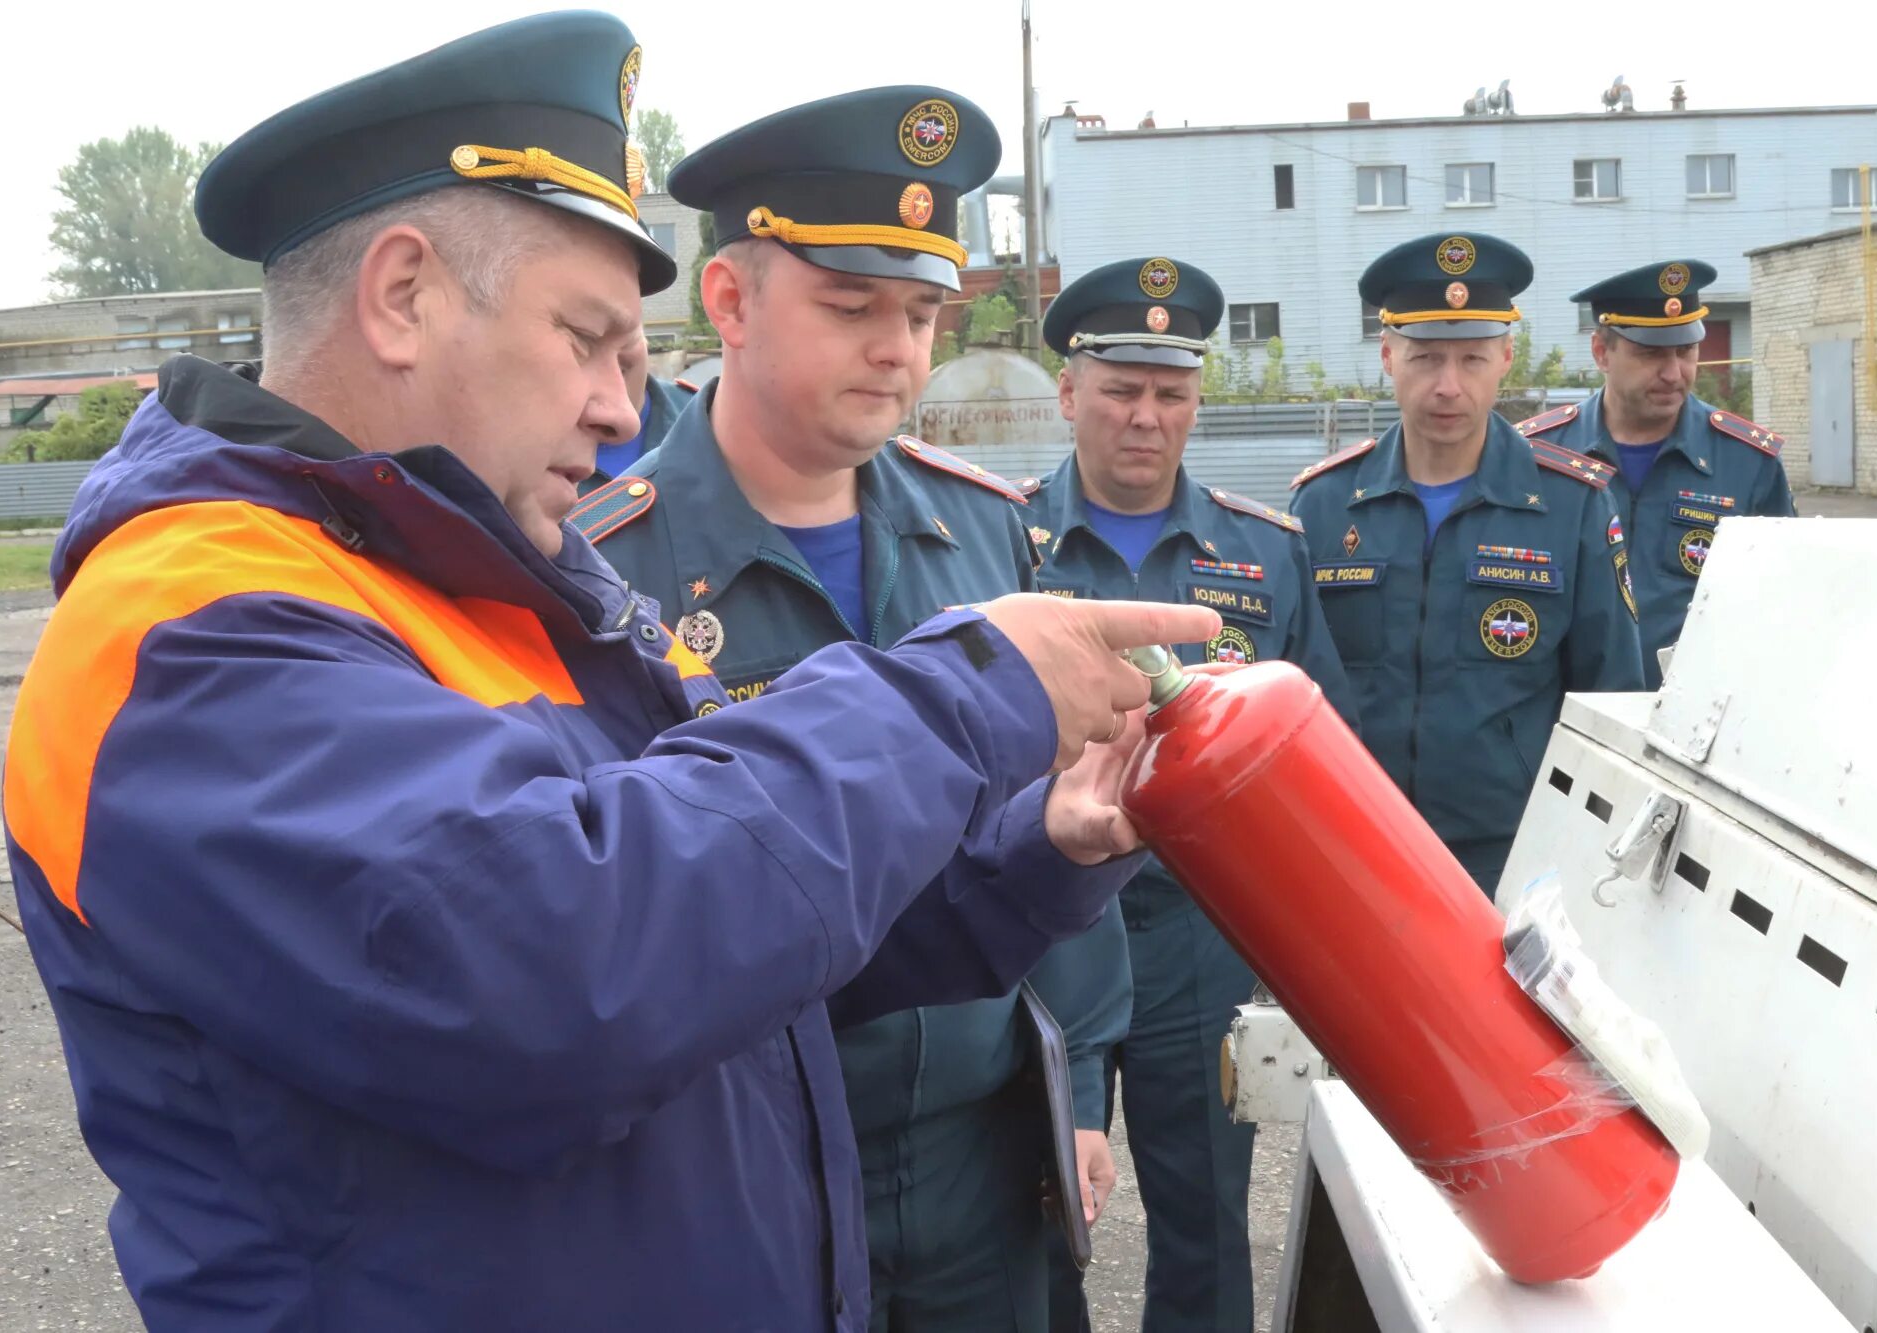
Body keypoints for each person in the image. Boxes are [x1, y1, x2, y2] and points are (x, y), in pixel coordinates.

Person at [0, 16, 1221, 1331]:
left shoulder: (464, 582)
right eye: (587, 338)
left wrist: (1036, 852)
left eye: (633, 356)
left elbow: (738, 951)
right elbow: (562, 974)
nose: (625, 410)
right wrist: (962, 695)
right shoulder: (186, 635)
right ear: (402, 295)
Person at [571, 86, 1133, 1332]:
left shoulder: (985, 528)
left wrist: (1081, 1083)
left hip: (983, 1158)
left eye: (923, 312)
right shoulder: (601, 566)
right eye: (850, 306)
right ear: (727, 301)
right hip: (743, 1151)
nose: (898, 349)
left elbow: (1072, 819)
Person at [1023, 255, 1358, 1333]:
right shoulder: (997, 542)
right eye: (1119, 388)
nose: (1143, 417)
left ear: (1196, 402)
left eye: (1169, 393)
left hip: (1202, 942)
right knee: (1031, 1216)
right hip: (1038, 935)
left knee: (1207, 1221)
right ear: (1068, 392)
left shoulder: (1264, 555)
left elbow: (1318, 753)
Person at [1288, 233, 1644, 899]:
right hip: (1350, 846)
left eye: (1472, 358)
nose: (1448, 385)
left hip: (1513, 858)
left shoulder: (1572, 506)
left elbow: (1613, 705)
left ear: (1505, 357)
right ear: (1388, 356)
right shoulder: (1324, 504)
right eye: (1425, 358)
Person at [1515, 260, 1796, 684]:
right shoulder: (1537, 454)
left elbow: (1781, 605)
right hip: (1566, 712)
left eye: (1685, 351)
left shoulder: (1748, 462)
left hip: (1694, 717)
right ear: (1601, 352)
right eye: (1650, 354)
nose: (1673, 373)